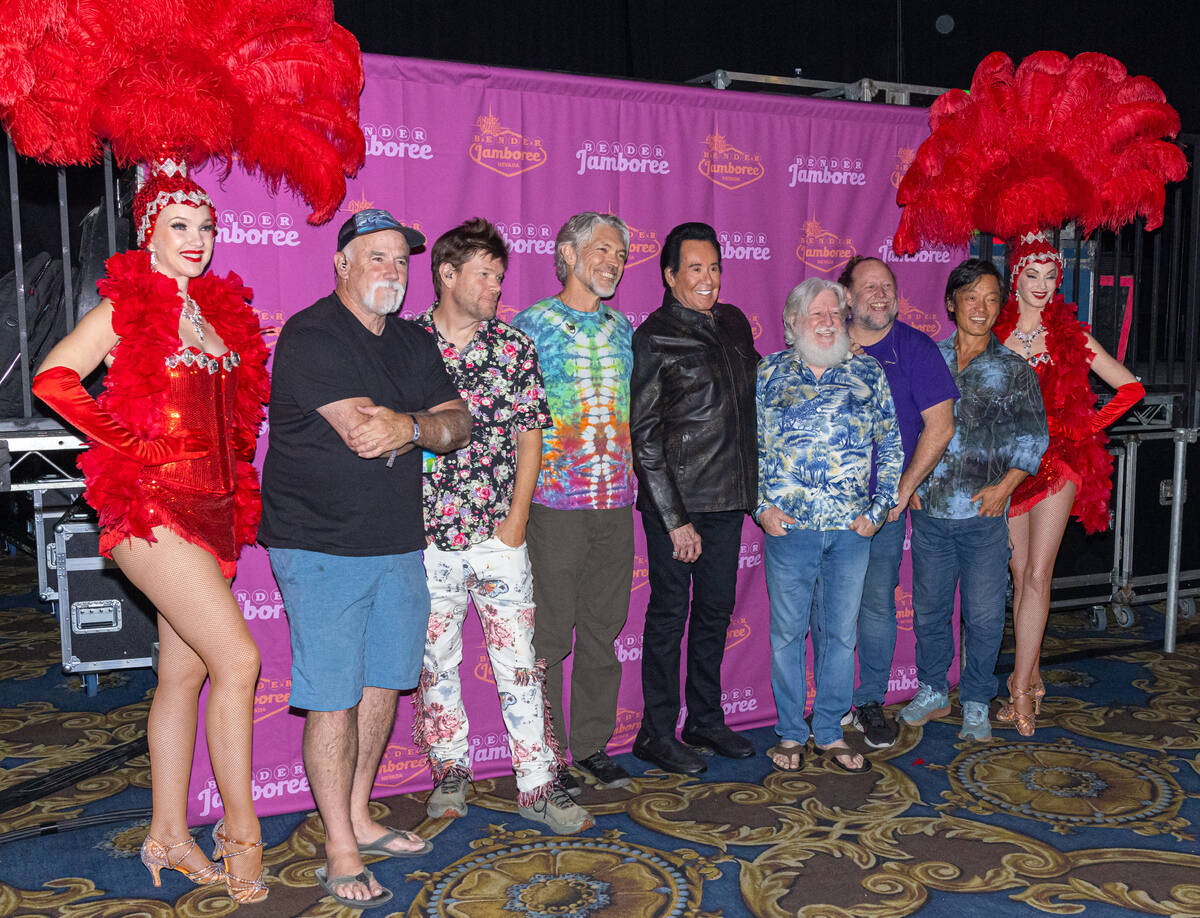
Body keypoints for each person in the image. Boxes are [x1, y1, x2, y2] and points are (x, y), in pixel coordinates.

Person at [32, 160, 271, 903]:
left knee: (184, 673)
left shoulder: (216, 313)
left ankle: (166, 832)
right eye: (179, 226)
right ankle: (241, 832)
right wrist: (129, 445)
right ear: (149, 234)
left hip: (214, 510)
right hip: (150, 508)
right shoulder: (128, 306)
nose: (196, 239)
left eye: (205, 227)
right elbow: (54, 376)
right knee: (239, 661)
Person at [258, 209, 471, 909]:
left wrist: (410, 424)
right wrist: (420, 429)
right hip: (319, 545)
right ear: (342, 264)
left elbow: (458, 424)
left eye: (400, 259)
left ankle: (356, 813)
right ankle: (339, 847)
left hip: (396, 541)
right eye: (374, 256)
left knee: (384, 684)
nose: (391, 270)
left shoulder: (410, 342)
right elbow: (364, 438)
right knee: (335, 695)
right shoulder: (312, 335)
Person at [413, 218, 594, 834]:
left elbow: (530, 434)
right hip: (422, 535)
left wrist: (517, 518)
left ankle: (538, 784)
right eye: (483, 274)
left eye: (499, 274)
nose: (495, 286)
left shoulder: (514, 347)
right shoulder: (405, 343)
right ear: (446, 274)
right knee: (434, 659)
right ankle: (450, 772)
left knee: (521, 660)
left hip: (497, 533)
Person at [992, 232, 1144, 734]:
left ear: (1060, 280)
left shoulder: (1072, 336)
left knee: (1038, 574)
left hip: (1061, 466)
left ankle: (1019, 690)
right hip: (1010, 470)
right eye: (1032, 275)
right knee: (1019, 579)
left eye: (1050, 275)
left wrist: (1082, 428)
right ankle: (1031, 676)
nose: (1041, 284)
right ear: (1015, 278)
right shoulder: (995, 335)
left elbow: (1130, 389)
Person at [511, 212, 636, 795]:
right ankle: (549, 751)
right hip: (554, 506)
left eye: (621, 254)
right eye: (604, 250)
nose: (613, 262)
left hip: (615, 503)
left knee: (602, 632)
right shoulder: (531, 325)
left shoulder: (623, 329)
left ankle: (590, 746)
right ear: (568, 252)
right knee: (550, 636)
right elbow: (514, 423)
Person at [898, 259, 1048, 741]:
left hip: (984, 518)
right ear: (951, 303)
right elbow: (908, 429)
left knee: (984, 615)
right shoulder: (928, 359)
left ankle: (978, 700)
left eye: (989, 298)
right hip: (930, 514)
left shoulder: (1013, 369)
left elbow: (1033, 441)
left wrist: (1003, 491)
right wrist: (911, 484)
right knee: (930, 609)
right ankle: (933, 691)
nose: (980, 308)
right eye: (970, 297)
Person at [629, 221, 759, 776]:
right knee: (667, 618)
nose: (708, 280)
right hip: (677, 506)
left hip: (729, 500)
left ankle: (704, 718)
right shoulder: (655, 335)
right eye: (695, 270)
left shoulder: (732, 322)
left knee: (713, 614)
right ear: (669, 275)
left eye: (714, 268)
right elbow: (645, 435)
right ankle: (656, 733)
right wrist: (675, 519)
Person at [756, 278, 902, 773]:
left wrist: (878, 510)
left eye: (834, 314)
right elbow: (747, 447)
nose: (826, 322)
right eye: (815, 314)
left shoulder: (868, 373)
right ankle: (791, 734)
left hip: (850, 533)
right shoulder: (769, 374)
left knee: (840, 636)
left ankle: (829, 731)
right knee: (786, 637)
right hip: (789, 530)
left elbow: (893, 447)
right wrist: (759, 507)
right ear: (792, 323)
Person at [837, 256, 957, 749]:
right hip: (822, 507)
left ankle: (868, 701)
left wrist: (901, 492)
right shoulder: (823, 342)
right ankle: (831, 706)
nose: (881, 295)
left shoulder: (915, 348)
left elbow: (942, 425)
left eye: (887, 286)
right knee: (826, 608)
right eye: (869, 287)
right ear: (847, 296)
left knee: (876, 606)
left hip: (881, 509)